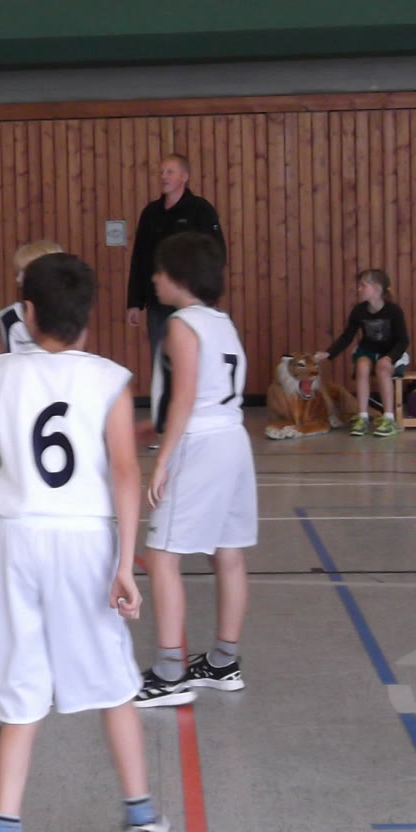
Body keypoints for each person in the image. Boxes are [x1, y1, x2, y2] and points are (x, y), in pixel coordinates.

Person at [0, 252, 175, 832]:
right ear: (88, 316)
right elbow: (126, 473)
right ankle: (142, 823)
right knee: (112, 682)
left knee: (19, 688)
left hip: (14, 536)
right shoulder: (109, 379)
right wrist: (125, 563)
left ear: (27, 313)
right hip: (83, 539)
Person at [135, 232, 255, 709]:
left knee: (162, 554)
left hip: (200, 445)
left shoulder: (181, 325)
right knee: (228, 553)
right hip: (233, 441)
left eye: (159, 271)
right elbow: (203, 394)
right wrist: (148, 430)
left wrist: (162, 459)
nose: (153, 279)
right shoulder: (223, 323)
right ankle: (224, 661)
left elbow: (184, 398)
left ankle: (169, 673)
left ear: (179, 277)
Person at [125, 155, 225, 429]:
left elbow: (216, 254)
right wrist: (135, 301)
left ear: (184, 177)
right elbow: (140, 259)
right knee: (162, 364)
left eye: (170, 171)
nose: (164, 176)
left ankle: (196, 422)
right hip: (158, 304)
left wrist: (208, 294)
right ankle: (164, 425)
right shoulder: (151, 213)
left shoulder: (201, 210)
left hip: (193, 303)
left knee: (194, 361)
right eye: (161, 172)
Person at [322, 269, 410, 438]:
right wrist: (329, 353)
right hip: (368, 350)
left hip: (391, 351)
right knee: (362, 366)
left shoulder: (394, 311)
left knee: (383, 367)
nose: (359, 289)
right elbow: (347, 336)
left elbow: (403, 341)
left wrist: (389, 358)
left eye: (363, 285)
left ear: (376, 289)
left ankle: (389, 418)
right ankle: (362, 417)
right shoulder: (359, 311)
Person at [0, 240, 64, 355]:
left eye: (25, 272)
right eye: (18, 272)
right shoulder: (8, 317)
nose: (18, 279)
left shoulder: (70, 315)